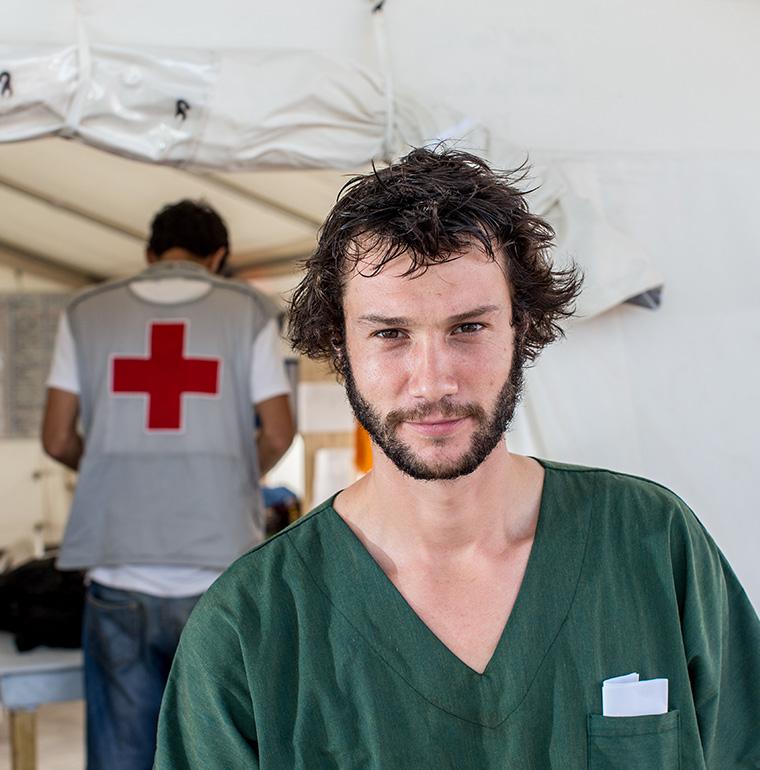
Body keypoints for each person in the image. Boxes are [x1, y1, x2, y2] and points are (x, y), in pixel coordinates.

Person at [154, 151, 760, 768]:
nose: (432, 381)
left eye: (468, 327)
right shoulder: (250, 626)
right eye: (390, 334)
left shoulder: (651, 545)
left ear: (522, 328)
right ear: (340, 344)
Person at [41, 199, 295, 770]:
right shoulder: (248, 311)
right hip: (216, 574)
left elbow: (57, 439)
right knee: (215, 752)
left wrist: (112, 474)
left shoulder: (86, 311)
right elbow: (278, 433)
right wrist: (225, 482)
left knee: (121, 755)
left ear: (150, 253)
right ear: (219, 257)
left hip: (116, 571)